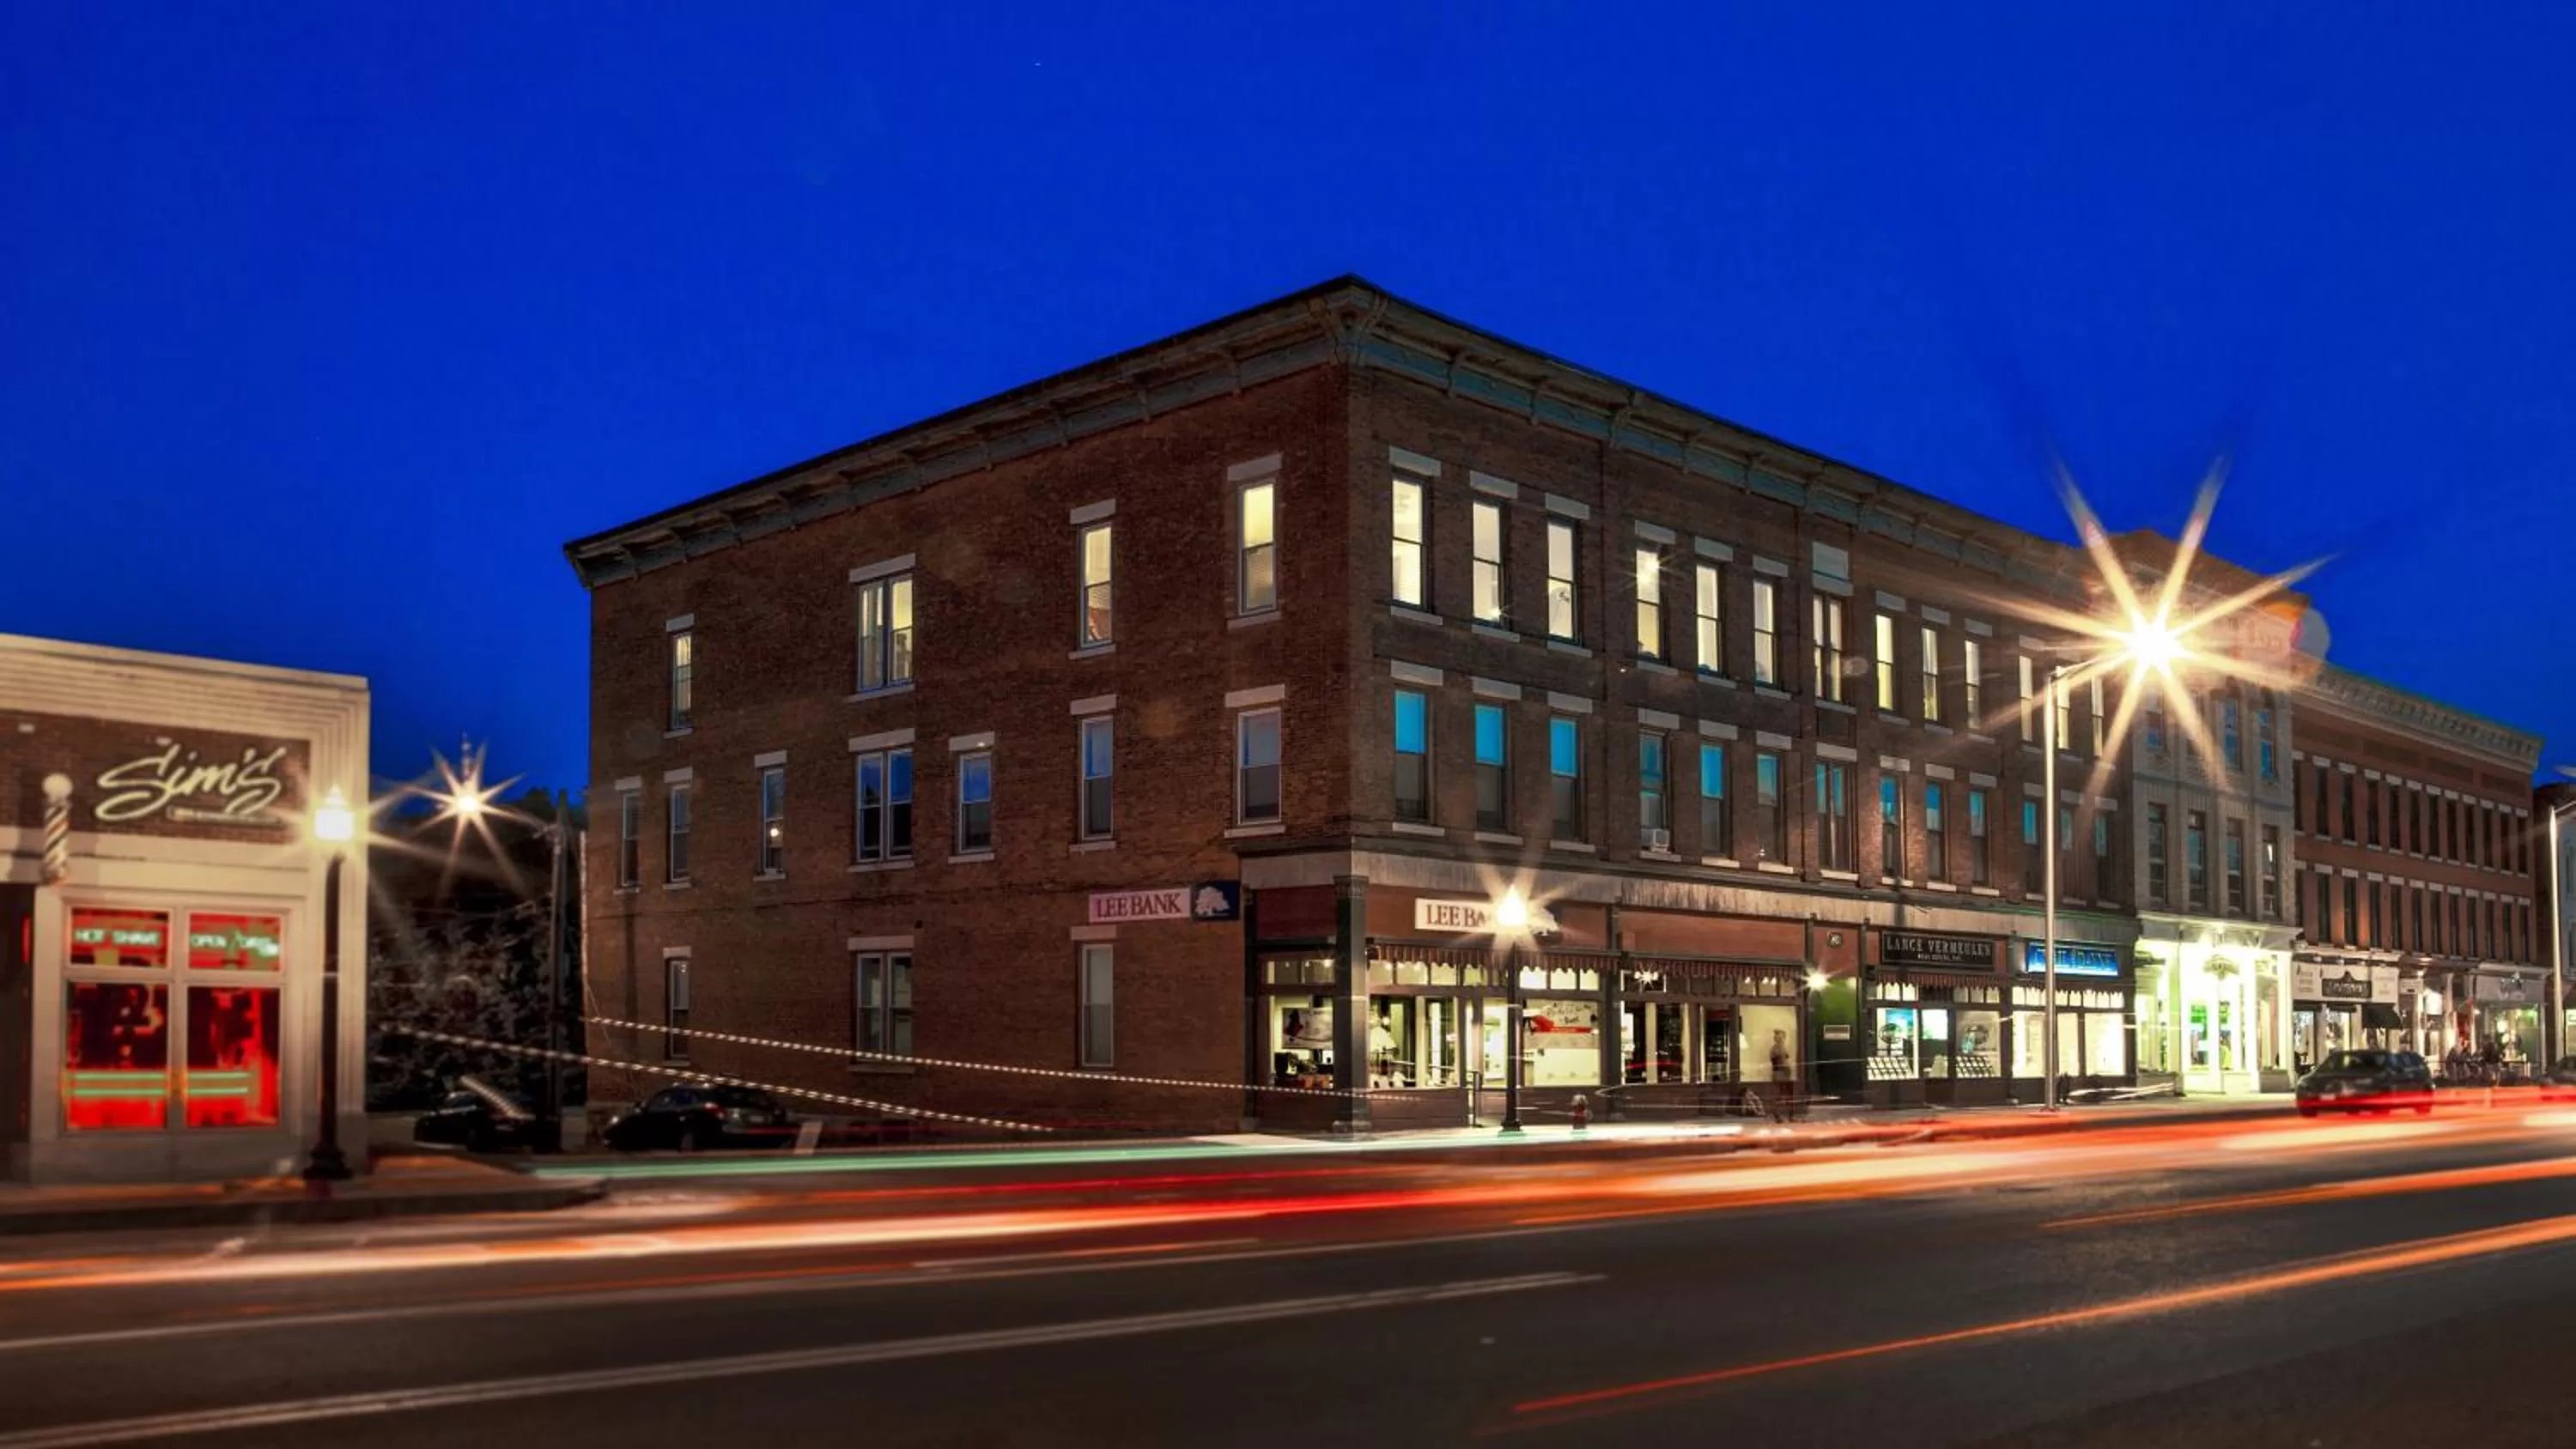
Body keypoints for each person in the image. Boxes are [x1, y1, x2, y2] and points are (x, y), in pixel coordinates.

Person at [1769, 1028, 1794, 1123]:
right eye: (1781, 1036)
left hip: (1782, 1073)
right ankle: (1778, 1115)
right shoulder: (1777, 1048)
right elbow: (1780, 1062)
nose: (1783, 1038)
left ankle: (1784, 1115)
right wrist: (1787, 1069)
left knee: (1784, 1095)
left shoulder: (1781, 1047)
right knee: (1781, 1095)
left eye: (1783, 1036)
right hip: (1780, 1073)